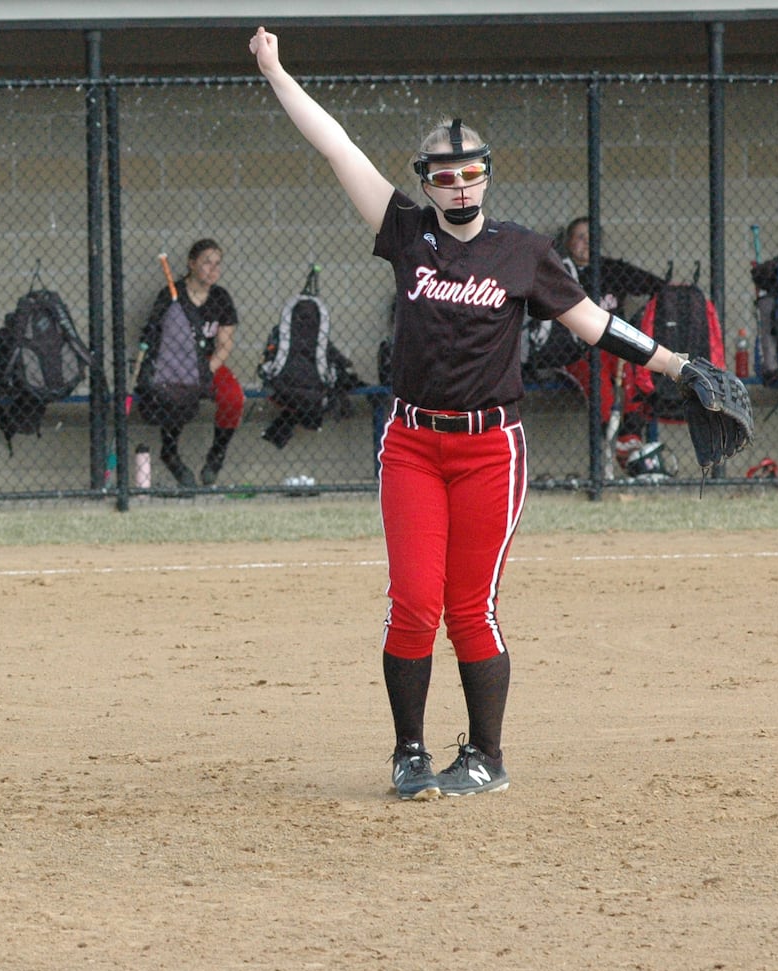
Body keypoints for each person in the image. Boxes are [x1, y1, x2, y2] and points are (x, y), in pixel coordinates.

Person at [251, 27, 696, 800]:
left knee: (469, 607)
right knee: (413, 603)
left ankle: (485, 757)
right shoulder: (404, 233)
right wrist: (275, 70)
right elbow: (336, 148)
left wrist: (678, 365)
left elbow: (591, 323)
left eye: (471, 174)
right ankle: (408, 753)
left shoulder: (521, 251)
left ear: (487, 178)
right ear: (424, 182)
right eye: (443, 176)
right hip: (414, 444)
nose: (459, 187)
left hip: (491, 448)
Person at [136, 238, 244, 486]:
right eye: (207, 263)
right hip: (176, 360)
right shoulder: (171, 294)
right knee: (175, 394)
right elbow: (156, 338)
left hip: (207, 362)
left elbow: (225, 345)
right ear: (192, 264)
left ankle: (216, 455)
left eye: (218, 264)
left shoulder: (221, 297)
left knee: (233, 397)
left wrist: (207, 369)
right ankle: (170, 452)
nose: (213, 269)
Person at [552, 216, 670, 429]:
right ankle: (608, 428)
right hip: (576, 351)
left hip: (612, 345)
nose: (587, 242)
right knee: (595, 370)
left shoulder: (611, 269)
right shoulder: (560, 272)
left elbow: (658, 286)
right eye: (580, 237)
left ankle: (631, 431)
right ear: (569, 242)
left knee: (630, 359)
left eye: (591, 237)